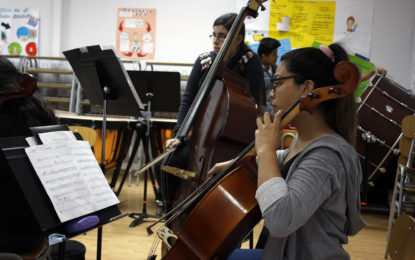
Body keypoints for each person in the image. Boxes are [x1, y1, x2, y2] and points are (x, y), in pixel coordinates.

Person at [210, 44, 366, 259]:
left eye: (278, 83)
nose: (271, 93)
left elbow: (280, 221)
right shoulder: (308, 141)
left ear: (307, 88)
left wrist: (265, 151)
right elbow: (292, 160)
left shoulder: (327, 156)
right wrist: (241, 162)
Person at [165, 12, 264, 149]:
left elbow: (250, 105)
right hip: (203, 133)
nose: (215, 41)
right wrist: (179, 135)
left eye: (222, 36)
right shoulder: (203, 60)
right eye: (214, 35)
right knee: (167, 161)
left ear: (238, 39)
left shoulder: (250, 61)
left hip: (234, 137)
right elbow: (188, 100)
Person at [257, 37, 281, 114]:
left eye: (276, 53)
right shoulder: (256, 72)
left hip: (277, 111)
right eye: (274, 54)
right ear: (264, 56)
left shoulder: (277, 69)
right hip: (263, 115)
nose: (277, 56)